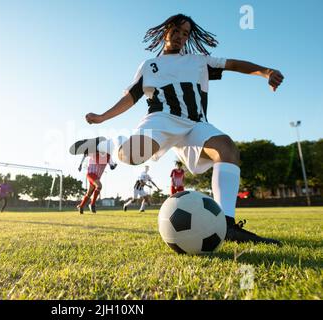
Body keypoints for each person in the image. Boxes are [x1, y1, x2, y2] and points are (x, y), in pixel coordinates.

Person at [76, 14, 284, 244]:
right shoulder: (149, 65)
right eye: (175, 31)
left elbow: (233, 64)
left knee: (227, 149)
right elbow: (130, 97)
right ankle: (109, 143)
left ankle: (227, 226)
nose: (180, 36)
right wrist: (103, 116)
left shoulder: (198, 61)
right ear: (166, 31)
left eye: (185, 34)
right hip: (161, 120)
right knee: (132, 155)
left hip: (195, 124)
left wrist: (266, 72)